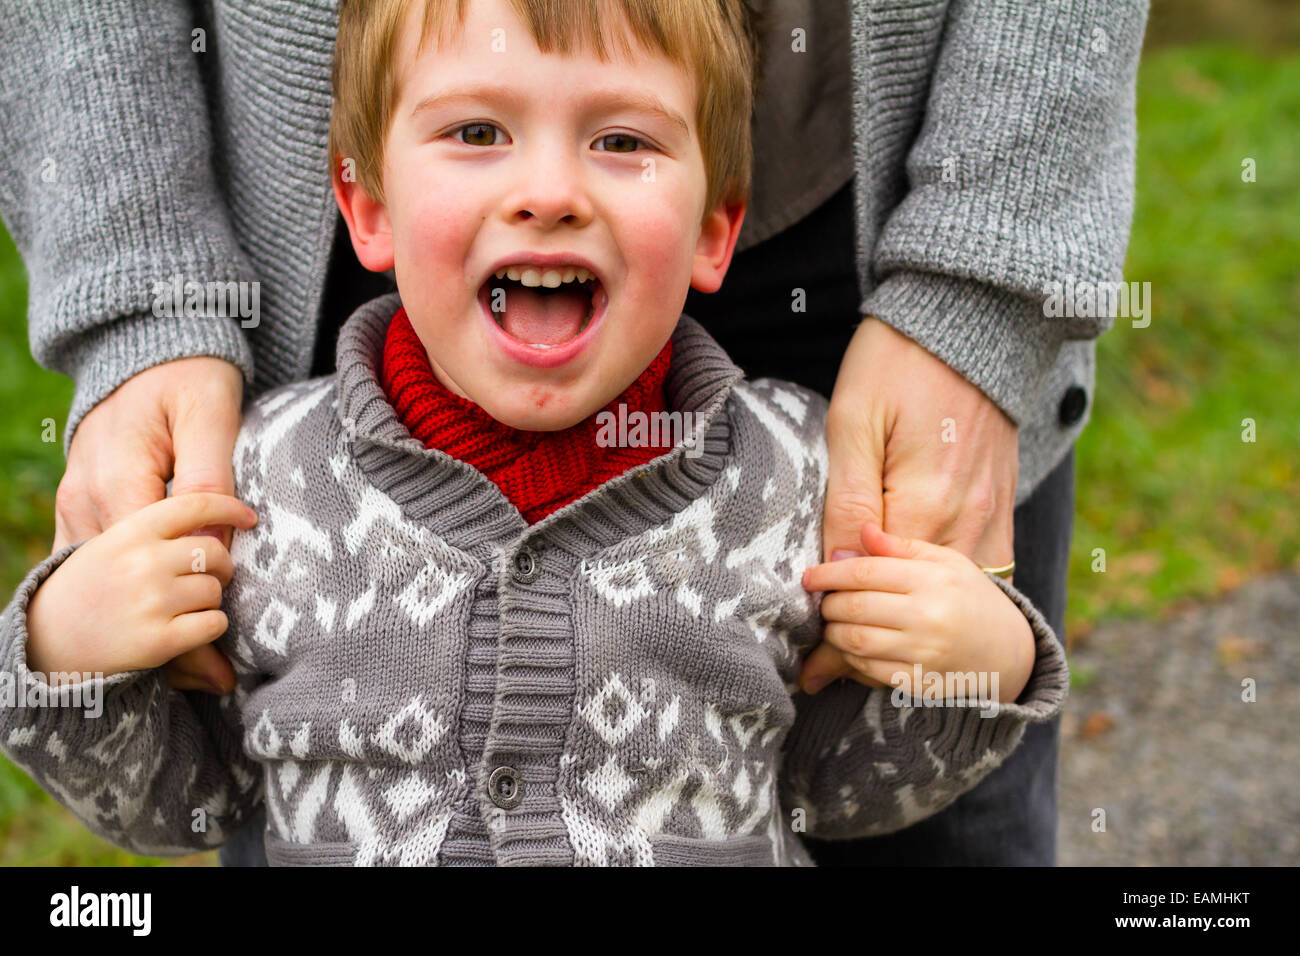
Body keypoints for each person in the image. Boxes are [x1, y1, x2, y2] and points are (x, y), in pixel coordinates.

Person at [0, 0, 1146, 865]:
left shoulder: (798, 490)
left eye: (621, 143)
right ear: (369, 209)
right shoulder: (259, 489)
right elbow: (192, 802)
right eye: (480, 131)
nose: (548, 190)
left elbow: (837, 791)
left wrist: (973, 670)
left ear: (713, 229)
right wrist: (67, 657)